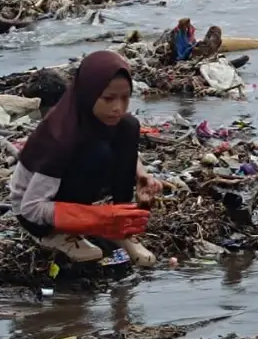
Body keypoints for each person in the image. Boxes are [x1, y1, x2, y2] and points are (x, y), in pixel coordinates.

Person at [9, 50, 162, 267]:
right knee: (98, 153)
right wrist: (99, 216)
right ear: (89, 93)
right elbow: (31, 208)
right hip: (35, 214)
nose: (118, 107)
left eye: (125, 98)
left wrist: (141, 174)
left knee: (129, 126)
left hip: (69, 187)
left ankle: (121, 230)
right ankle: (58, 235)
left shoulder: (101, 116)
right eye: (108, 98)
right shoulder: (61, 134)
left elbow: (123, 147)